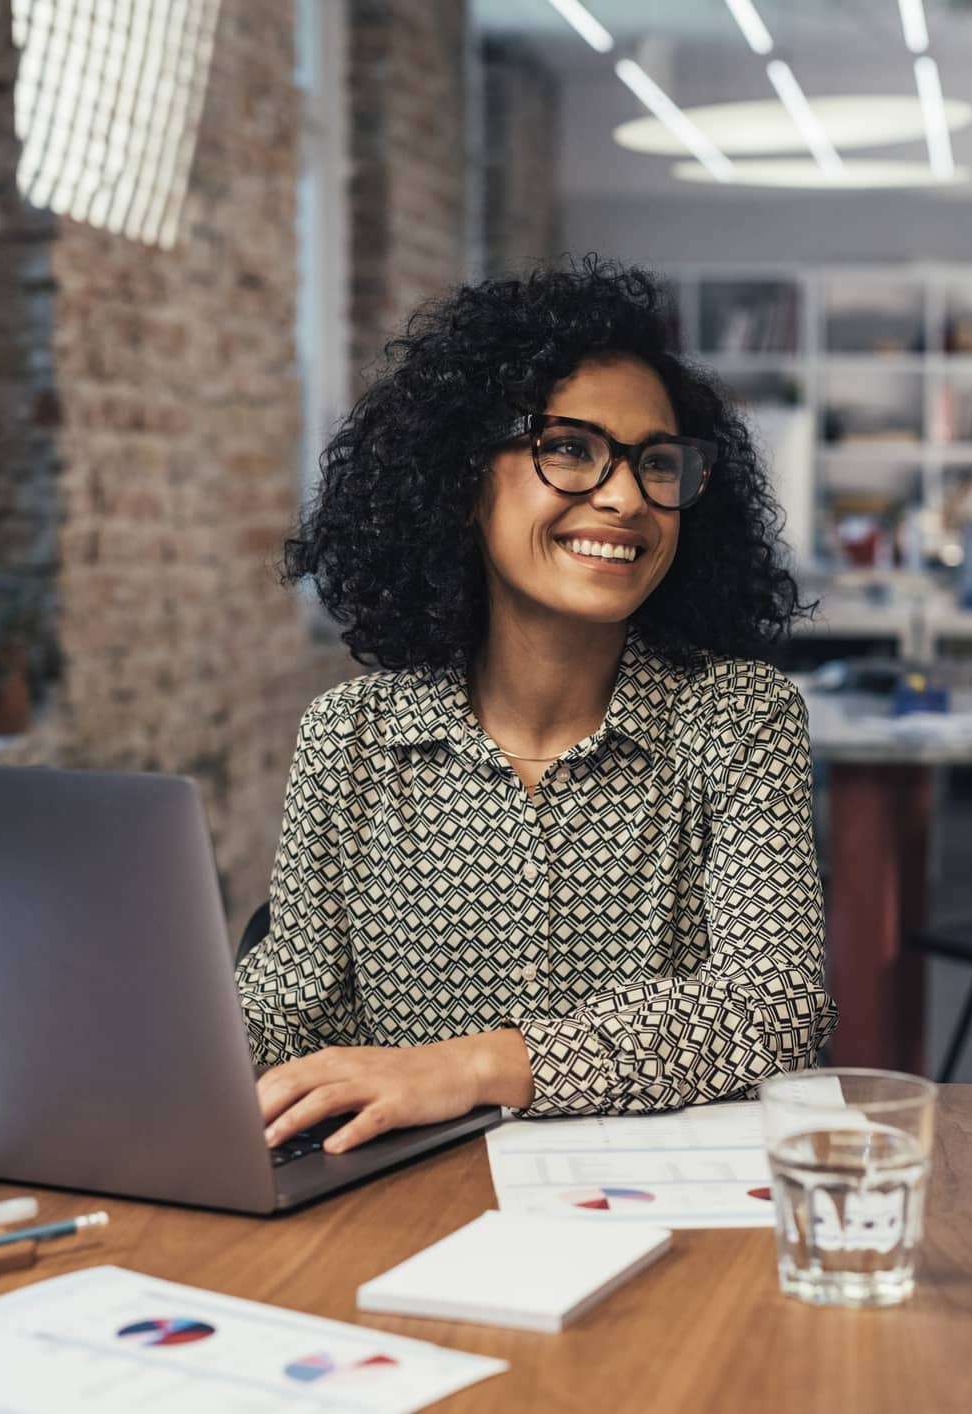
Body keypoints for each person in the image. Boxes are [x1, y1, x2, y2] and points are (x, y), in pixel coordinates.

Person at [238, 258, 836, 1154]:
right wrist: (152, 1058)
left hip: (656, 1211)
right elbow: (289, 1005)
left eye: (656, 463)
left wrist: (477, 1068)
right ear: (460, 477)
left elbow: (773, 1004)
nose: (627, 497)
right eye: (569, 448)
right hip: (396, 1208)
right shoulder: (351, 736)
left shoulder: (735, 717)